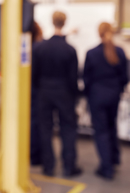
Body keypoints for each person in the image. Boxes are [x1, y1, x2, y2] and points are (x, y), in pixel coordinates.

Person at [33, 11, 82, 177]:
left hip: (44, 92)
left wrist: (39, 89)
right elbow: (73, 78)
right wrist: (75, 97)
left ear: (52, 22)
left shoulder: (40, 48)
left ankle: (48, 166)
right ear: (65, 22)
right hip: (65, 93)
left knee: (45, 129)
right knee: (68, 129)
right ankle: (69, 167)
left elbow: (34, 74)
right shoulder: (70, 50)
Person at [83, 22, 128, 180]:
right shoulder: (120, 52)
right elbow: (124, 77)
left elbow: (86, 79)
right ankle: (114, 159)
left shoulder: (92, 53)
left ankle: (107, 168)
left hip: (97, 97)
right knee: (111, 127)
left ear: (99, 33)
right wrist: (118, 90)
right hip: (114, 95)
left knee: (101, 131)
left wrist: (88, 95)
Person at [30, 21, 43, 165]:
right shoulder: (39, 47)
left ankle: (33, 154)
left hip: (29, 91)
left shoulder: (27, 49)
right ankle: (36, 156)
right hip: (37, 92)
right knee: (37, 124)